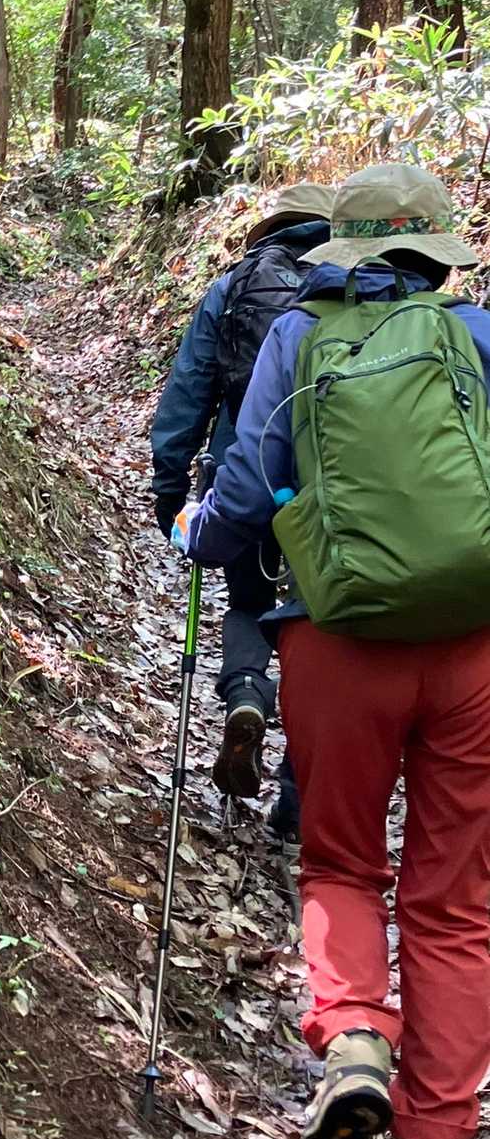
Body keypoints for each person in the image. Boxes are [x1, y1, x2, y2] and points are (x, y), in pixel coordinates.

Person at [179, 163, 490, 1139]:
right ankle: (436, 1128)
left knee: (344, 862)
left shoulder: (298, 334)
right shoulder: (480, 336)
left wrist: (197, 534)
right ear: (436, 252)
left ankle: (355, 1037)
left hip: (334, 637)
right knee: (455, 899)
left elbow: (245, 487)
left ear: (343, 249)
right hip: (475, 649)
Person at [150, 182, 335, 836]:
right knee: (320, 628)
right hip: (333, 489)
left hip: (244, 474)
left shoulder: (234, 286)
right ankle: (296, 796)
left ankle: (247, 697)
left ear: (273, 228)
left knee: (250, 603)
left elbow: (188, 392)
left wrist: (170, 489)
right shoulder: (359, 290)